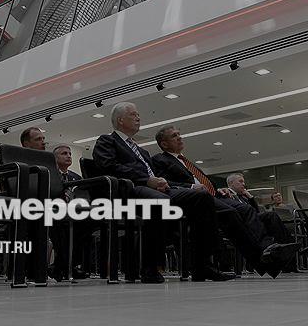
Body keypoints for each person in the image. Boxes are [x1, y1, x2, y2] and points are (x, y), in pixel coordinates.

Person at [92, 102, 234, 283]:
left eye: (138, 114)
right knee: (160, 201)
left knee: (202, 197)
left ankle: (202, 266)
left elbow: (155, 176)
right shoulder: (107, 141)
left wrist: (161, 182)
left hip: (155, 190)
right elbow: (108, 166)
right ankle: (150, 268)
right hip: (128, 190)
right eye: (133, 114)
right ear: (120, 120)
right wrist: (146, 179)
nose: (138, 117)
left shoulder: (142, 151)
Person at [150, 125, 298, 278]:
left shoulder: (186, 161)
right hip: (195, 199)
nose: (179, 137)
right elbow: (163, 183)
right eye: (174, 136)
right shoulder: (159, 159)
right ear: (164, 144)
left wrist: (219, 189)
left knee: (246, 209)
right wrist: (192, 187)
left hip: (214, 195)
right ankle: (262, 260)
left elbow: (204, 181)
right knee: (231, 213)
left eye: (179, 134)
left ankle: (267, 248)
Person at [50, 143, 91, 281]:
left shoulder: (76, 177)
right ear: (54, 158)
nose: (68, 156)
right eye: (64, 154)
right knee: (61, 228)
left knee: (86, 224)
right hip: (54, 211)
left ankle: (67, 265)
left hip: (73, 212)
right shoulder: (49, 174)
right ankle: (63, 266)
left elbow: (83, 196)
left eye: (69, 154)